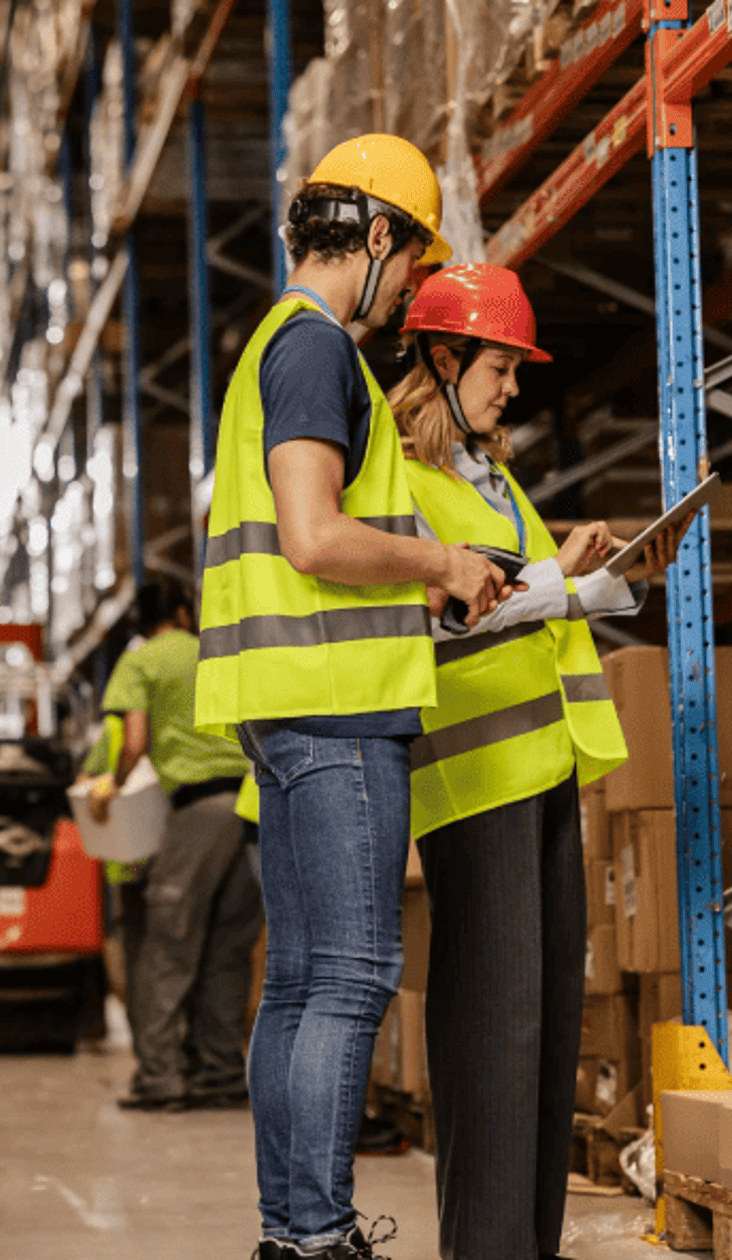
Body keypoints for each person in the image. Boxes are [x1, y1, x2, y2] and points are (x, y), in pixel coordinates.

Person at [193, 135, 515, 1260]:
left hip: (293, 700)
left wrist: (422, 579)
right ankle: (319, 1236)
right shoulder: (314, 347)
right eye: (413, 261)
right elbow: (314, 535)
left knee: (297, 986)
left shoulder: (280, 347)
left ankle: (294, 1234)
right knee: (350, 979)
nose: (409, 289)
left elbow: (312, 545)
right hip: (335, 709)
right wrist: (442, 563)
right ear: (378, 237)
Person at [391, 265, 676, 1260]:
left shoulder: (491, 477)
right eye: (499, 367)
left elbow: (528, 599)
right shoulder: (401, 482)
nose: (513, 388)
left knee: (548, 1028)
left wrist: (610, 577)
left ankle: (528, 1244)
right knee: (495, 1031)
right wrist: (559, 579)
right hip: (476, 783)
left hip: (544, 771)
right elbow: (448, 614)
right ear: (442, 359)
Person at [88, 578, 263, 1112]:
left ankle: (162, 1077)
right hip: (251, 806)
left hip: (196, 814)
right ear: (185, 612)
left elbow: (135, 741)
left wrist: (112, 786)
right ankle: (221, 1071)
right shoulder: (219, 651)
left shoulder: (140, 661)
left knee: (168, 947)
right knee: (227, 951)